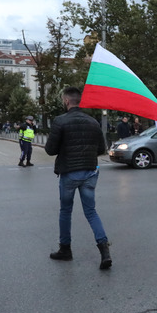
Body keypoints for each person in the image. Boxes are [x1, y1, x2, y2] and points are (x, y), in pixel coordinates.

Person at [44, 87, 112, 269]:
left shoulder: (60, 121)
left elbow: (50, 150)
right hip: (90, 172)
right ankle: (104, 251)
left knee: (66, 211)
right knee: (91, 212)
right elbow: (101, 150)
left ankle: (65, 249)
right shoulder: (93, 122)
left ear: (66, 101)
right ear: (79, 101)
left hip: (69, 173)